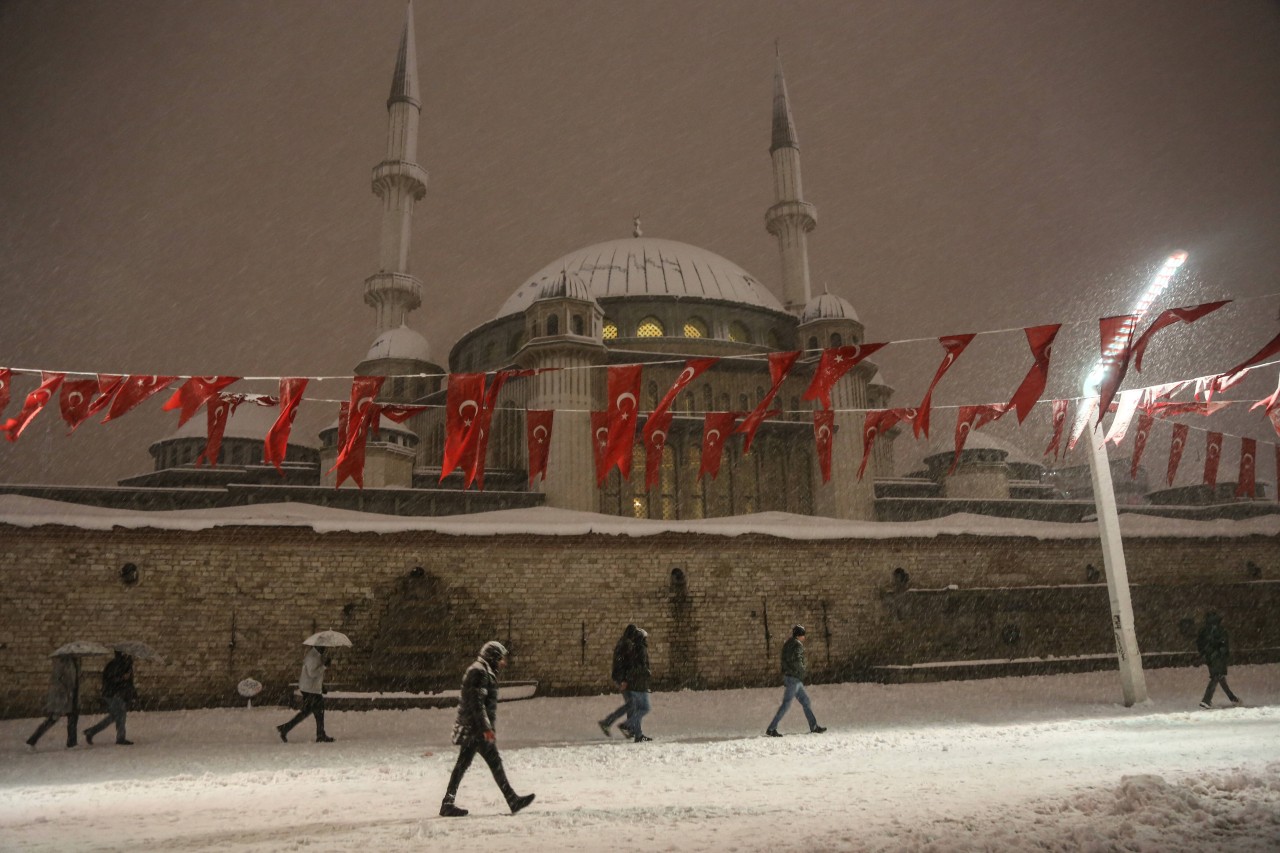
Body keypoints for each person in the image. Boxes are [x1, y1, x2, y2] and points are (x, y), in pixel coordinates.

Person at [440, 640, 536, 817]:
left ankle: (448, 802)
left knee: (465, 765)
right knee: (492, 763)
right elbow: (478, 705)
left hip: (474, 728)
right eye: (500, 659)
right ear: (492, 657)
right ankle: (511, 799)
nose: (503, 663)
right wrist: (486, 729)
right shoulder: (479, 672)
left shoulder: (482, 670)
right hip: (476, 730)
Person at [766, 625, 826, 737]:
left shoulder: (788, 644)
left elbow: (785, 660)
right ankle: (771, 728)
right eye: (803, 635)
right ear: (799, 635)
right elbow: (798, 661)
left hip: (792, 678)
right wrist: (802, 670)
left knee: (806, 701)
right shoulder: (797, 645)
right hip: (794, 679)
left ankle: (814, 726)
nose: (804, 637)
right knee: (786, 704)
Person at [276, 645, 334, 743]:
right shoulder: (312, 657)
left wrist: (321, 686)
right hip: (310, 690)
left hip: (311, 689)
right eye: (323, 646)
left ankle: (285, 728)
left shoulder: (316, 656)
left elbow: (314, 675)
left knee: (310, 711)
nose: (325, 648)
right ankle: (320, 735)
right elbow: (312, 674)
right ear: (318, 646)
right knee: (317, 711)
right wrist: (324, 666)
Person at [26, 655, 82, 751]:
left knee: (73, 719)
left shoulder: (77, 663)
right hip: (62, 697)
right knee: (53, 719)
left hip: (73, 696)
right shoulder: (63, 663)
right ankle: (32, 740)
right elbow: (57, 680)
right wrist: (66, 690)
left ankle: (71, 743)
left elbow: (75, 680)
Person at [84, 650, 137, 746]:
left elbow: (129, 683)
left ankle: (91, 731)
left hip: (116, 694)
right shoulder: (115, 665)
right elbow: (111, 680)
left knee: (114, 716)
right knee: (121, 714)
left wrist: (132, 694)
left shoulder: (126, 666)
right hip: (112, 694)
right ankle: (120, 738)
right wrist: (122, 678)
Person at [598, 624, 639, 738]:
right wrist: (623, 680)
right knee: (632, 704)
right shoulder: (626, 645)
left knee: (632, 704)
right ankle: (608, 723)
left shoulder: (623, 643)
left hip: (623, 679)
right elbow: (622, 664)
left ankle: (628, 728)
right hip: (624, 680)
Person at [1197, 611, 1241, 709]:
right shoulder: (1220, 630)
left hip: (1210, 657)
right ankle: (1206, 700)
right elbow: (1224, 644)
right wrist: (1223, 652)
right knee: (1216, 677)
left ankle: (1232, 698)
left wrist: (1205, 653)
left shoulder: (1204, 630)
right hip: (1218, 657)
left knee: (1219, 677)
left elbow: (1200, 644)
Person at [623, 628, 652, 743]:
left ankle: (638, 734)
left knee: (637, 709)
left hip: (634, 683)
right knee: (644, 708)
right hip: (640, 684)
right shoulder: (641, 649)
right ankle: (627, 725)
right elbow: (641, 666)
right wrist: (646, 672)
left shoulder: (633, 648)